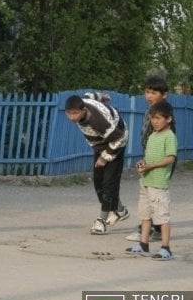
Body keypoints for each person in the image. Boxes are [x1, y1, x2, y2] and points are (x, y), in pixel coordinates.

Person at [65, 93, 129, 235]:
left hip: (116, 141)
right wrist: (102, 97)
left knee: (108, 183)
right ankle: (120, 211)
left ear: (83, 110)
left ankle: (101, 221)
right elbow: (90, 95)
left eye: (75, 113)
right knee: (98, 181)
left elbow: (120, 139)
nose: (72, 117)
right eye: (69, 113)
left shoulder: (97, 121)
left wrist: (105, 157)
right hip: (101, 144)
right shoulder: (83, 101)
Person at [125, 75, 175, 242]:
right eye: (147, 92)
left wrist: (153, 163)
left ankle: (149, 232)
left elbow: (167, 143)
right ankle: (154, 230)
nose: (149, 96)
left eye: (153, 93)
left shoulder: (165, 113)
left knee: (156, 196)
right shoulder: (150, 111)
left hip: (160, 161)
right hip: (150, 158)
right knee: (148, 195)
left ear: (164, 95)